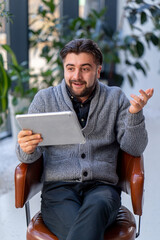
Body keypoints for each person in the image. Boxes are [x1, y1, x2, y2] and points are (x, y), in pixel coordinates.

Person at [16, 39, 154, 240]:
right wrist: (26, 149)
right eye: (70, 68)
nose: (76, 76)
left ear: (98, 71)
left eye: (85, 69)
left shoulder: (115, 98)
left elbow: (135, 148)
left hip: (103, 189)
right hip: (58, 190)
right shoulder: (44, 100)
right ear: (64, 69)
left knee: (94, 212)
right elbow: (27, 158)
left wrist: (134, 114)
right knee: (83, 230)